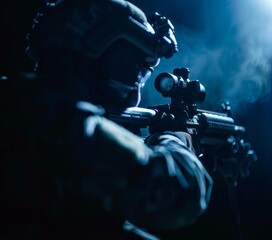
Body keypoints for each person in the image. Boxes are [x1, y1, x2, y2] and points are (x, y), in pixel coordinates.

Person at [0, 0, 212, 239]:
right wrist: (176, 141)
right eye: (131, 72)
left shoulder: (19, 102)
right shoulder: (55, 119)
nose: (136, 95)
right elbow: (176, 194)